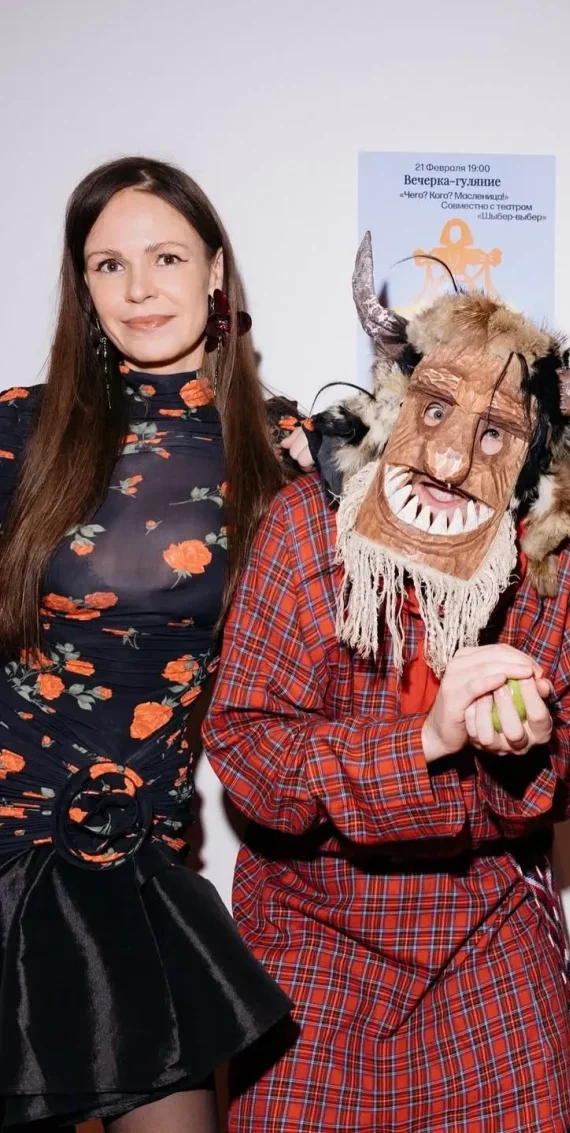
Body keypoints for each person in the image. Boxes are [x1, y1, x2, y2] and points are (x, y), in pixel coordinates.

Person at [203, 233, 570, 1132]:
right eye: (434, 413)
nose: (449, 460)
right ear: (396, 405)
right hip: (311, 947)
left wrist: (532, 753)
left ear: (531, 453)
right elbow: (247, 750)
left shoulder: (559, 564)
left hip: (490, 948)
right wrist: (425, 743)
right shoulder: (301, 531)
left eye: (492, 433)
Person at [0, 156, 297, 1131]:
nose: (138, 289)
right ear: (82, 285)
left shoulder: (289, 449)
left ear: (215, 270)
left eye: (166, 257)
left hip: (136, 869)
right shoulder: (18, 431)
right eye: (108, 264)